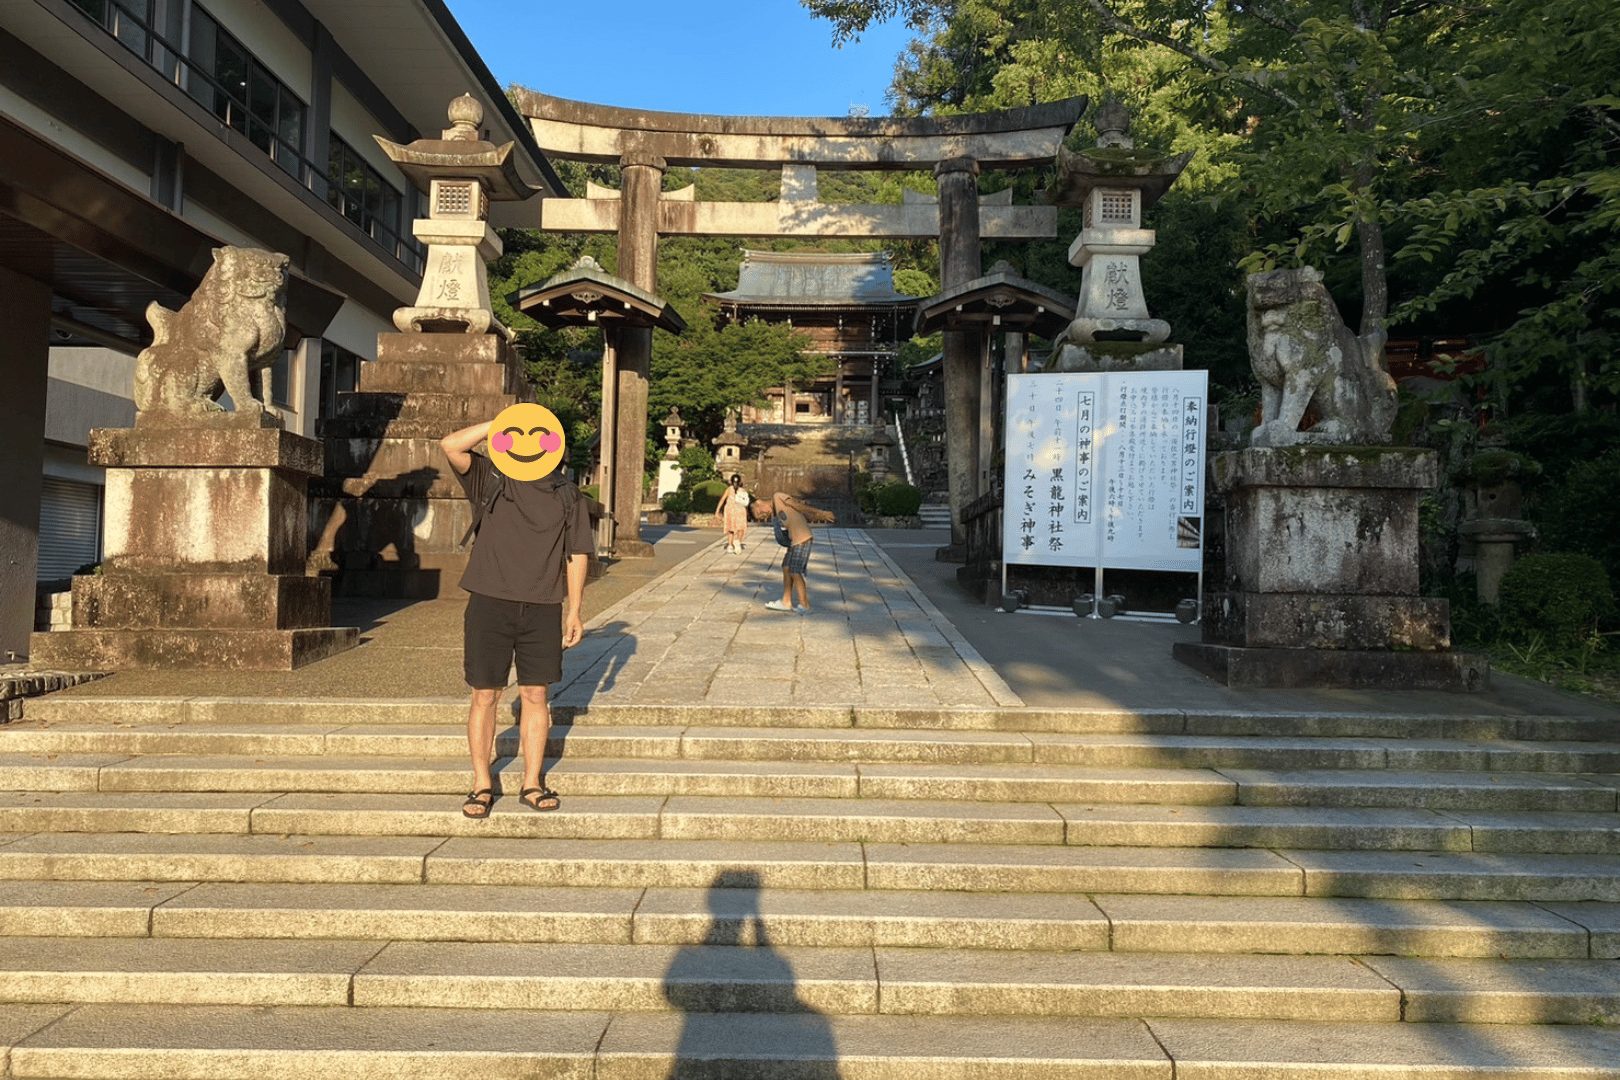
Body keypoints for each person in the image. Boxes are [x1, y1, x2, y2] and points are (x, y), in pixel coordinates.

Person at [440, 419, 593, 819]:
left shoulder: (567, 495)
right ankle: (481, 783)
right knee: (485, 694)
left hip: (543, 605)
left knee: (536, 695)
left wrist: (574, 609)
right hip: (489, 600)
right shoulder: (492, 477)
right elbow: (451, 445)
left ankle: (532, 781)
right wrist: (499, 425)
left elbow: (578, 554)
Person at [759, 492, 831, 614]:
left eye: (759, 511)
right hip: (795, 541)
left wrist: (820, 513)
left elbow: (797, 505)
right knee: (786, 567)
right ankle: (786, 602)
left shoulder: (777, 497)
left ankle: (805, 604)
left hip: (802, 539)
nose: (761, 514)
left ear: (759, 503)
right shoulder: (776, 513)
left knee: (795, 571)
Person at [712, 473, 751, 554]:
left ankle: (730, 545)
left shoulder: (729, 489)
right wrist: (747, 513)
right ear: (740, 482)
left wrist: (717, 511)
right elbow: (746, 503)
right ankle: (738, 542)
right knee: (741, 528)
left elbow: (722, 500)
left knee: (731, 528)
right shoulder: (743, 490)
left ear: (731, 481)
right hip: (740, 510)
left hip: (730, 510)